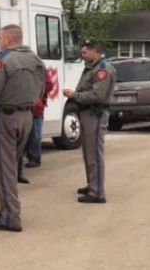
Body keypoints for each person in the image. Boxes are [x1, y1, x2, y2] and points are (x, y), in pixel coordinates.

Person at [0, 25, 45, 232]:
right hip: (27, 116)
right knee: (11, 166)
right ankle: (6, 208)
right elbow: (43, 89)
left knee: (3, 169)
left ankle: (10, 217)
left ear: (8, 38)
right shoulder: (36, 60)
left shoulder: (4, 60)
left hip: (6, 118)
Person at [63, 39, 116, 203]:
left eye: (85, 52)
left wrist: (74, 96)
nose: (82, 54)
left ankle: (98, 192)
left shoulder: (102, 69)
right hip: (88, 113)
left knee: (94, 153)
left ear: (94, 50)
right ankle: (92, 184)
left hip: (96, 113)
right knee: (88, 152)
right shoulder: (92, 68)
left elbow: (97, 95)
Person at [24, 71, 55, 168]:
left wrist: (36, 93)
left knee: (35, 134)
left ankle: (35, 158)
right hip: (23, 107)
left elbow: (49, 85)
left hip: (36, 108)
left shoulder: (40, 68)